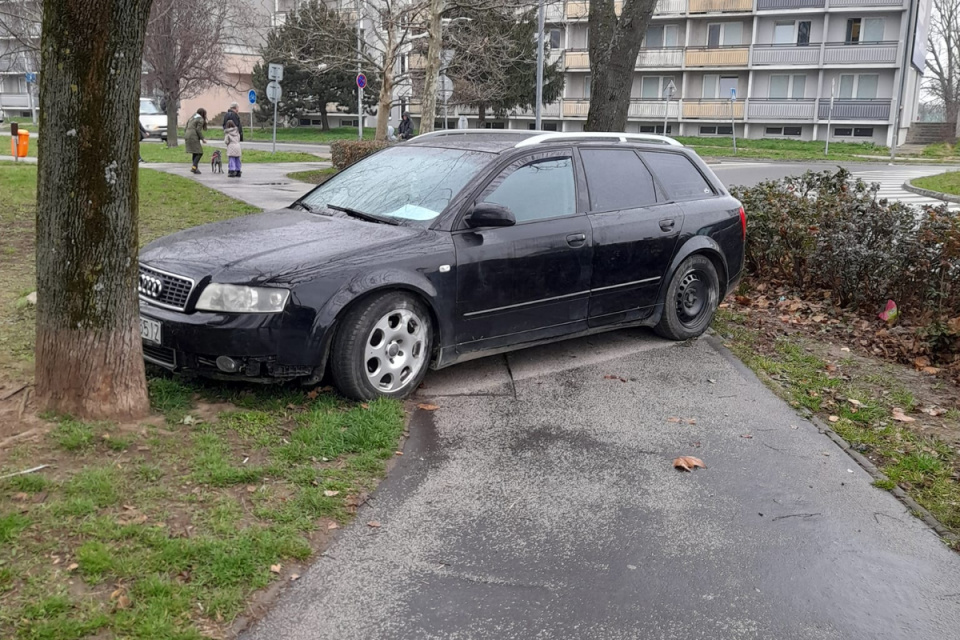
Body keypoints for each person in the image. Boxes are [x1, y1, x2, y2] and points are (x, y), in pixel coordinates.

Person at [185, 108, 207, 174]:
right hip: (193, 136)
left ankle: (195, 168)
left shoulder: (192, 117)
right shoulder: (200, 119)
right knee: (200, 152)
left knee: (195, 152)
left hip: (187, 135)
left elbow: (186, 127)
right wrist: (202, 139)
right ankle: (194, 167)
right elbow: (198, 130)